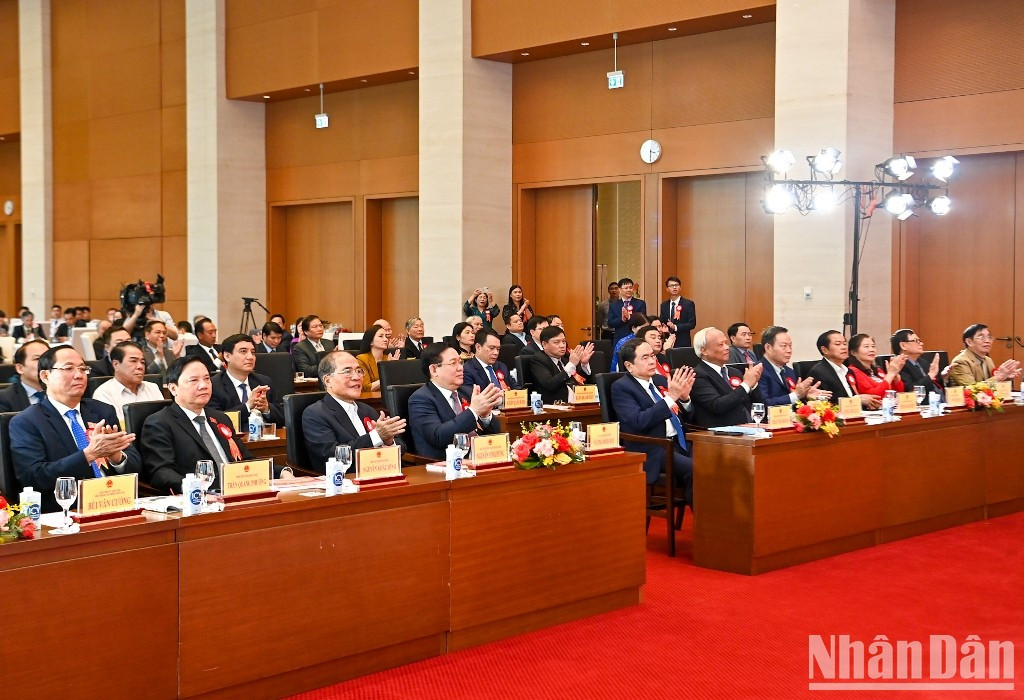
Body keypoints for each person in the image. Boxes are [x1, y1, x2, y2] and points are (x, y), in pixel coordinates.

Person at [9, 346, 141, 512]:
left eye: (82, 368)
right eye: (68, 368)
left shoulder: (102, 411)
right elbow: (34, 477)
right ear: (45, 376)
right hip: (65, 511)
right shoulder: (26, 422)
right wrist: (89, 455)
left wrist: (116, 457)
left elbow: (135, 462)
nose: (79, 375)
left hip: (114, 502)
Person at [141, 356, 292, 495]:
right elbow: (162, 472)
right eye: (194, 380)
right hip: (200, 500)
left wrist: (280, 472)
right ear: (173, 388)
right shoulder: (159, 422)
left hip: (238, 491)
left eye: (207, 379)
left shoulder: (220, 418)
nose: (204, 385)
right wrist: (196, 489)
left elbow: (245, 461)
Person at [610, 338, 695, 504]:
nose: (651, 361)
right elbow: (638, 421)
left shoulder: (660, 381)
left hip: (681, 442)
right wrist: (671, 398)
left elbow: (685, 418)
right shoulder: (621, 387)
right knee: (696, 470)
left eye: (652, 356)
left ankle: (720, 519)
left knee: (716, 460)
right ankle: (706, 523)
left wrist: (685, 399)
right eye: (644, 358)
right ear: (629, 366)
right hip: (655, 448)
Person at [302, 351, 407, 473]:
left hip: (381, 476)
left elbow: (401, 447)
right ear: (327, 380)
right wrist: (377, 436)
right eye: (347, 371)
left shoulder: (367, 410)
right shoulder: (315, 414)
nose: (356, 377)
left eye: (359, 371)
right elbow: (332, 456)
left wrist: (389, 441)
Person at [408, 343, 503, 459]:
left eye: (460, 362)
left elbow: (496, 433)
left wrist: (485, 416)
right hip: (445, 467)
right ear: (434, 370)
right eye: (453, 363)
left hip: (481, 458)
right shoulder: (420, 399)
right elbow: (438, 436)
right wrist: (474, 411)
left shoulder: (468, 392)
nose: (460, 368)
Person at [689, 327, 763, 428]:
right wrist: (746, 384)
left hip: (749, 427)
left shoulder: (734, 372)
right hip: (720, 434)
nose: (727, 347)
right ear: (704, 350)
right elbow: (717, 405)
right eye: (720, 345)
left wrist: (753, 385)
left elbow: (755, 403)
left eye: (726, 343)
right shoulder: (697, 375)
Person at [207, 333, 285, 426]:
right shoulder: (213, 385)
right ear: (227, 356)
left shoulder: (264, 382)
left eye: (252, 352)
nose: (250, 357)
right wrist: (247, 407)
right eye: (243, 351)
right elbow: (215, 420)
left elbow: (282, 418)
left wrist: (266, 409)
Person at [91, 341, 165, 423]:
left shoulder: (152, 387)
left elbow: (163, 420)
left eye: (142, 362)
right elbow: (115, 428)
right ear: (116, 364)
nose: (140, 366)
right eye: (133, 361)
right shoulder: (104, 393)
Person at [808, 331, 882, 409]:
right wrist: (858, 400)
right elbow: (825, 405)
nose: (843, 347)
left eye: (845, 344)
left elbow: (852, 397)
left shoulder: (848, 371)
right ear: (824, 350)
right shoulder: (818, 372)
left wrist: (869, 403)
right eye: (838, 344)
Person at [757, 326, 829, 406]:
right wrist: (796, 395)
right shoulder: (758, 371)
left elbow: (793, 399)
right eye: (784, 346)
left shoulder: (789, 371)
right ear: (768, 348)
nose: (789, 350)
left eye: (790, 346)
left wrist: (805, 396)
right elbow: (763, 405)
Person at [528, 326, 595, 404]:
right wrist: (571, 364)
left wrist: (584, 364)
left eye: (564, 342)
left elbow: (583, 381)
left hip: (579, 402)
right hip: (555, 406)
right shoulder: (538, 360)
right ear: (544, 344)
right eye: (557, 342)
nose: (562, 345)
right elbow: (550, 384)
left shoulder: (566, 357)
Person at [947, 323, 1022, 386]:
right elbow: (972, 390)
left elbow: (992, 385)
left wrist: (1005, 377)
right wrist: (999, 376)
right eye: (981, 337)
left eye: (989, 337)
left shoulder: (988, 360)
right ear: (969, 342)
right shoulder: (960, 361)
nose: (987, 341)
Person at [0, 339, 49, 411]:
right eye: (37, 358)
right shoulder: (4, 398)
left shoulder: (63, 394)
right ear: (20, 368)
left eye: (48, 358)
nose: (45, 363)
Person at [890, 329, 943, 395]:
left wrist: (944, 377)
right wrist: (931, 375)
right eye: (916, 341)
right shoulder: (899, 366)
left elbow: (933, 383)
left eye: (920, 341)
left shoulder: (922, 362)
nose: (921, 344)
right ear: (903, 345)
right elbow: (910, 390)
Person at [659, 276, 697, 346]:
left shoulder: (688, 304)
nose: (674, 287)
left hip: (682, 341)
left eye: (676, 285)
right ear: (667, 289)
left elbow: (692, 324)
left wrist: (675, 327)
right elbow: (662, 322)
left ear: (680, 287)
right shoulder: (664, 305)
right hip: (667, 341)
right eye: (671, 285)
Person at [608, 277, 647, 343]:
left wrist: (629, 317)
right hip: (619, 338)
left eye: (630, 287)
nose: (629, 290)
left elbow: (642, 321)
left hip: (636, 337)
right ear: (620, 290)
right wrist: (622, 319)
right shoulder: (613, 305)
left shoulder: (640, 303)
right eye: (626, 288)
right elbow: (610, 323)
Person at [355, 324, 392, 392]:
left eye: (386, 336)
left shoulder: (388, 359)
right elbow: (366, 388)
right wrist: (388, 372)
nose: (385, 339)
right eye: (381, 336)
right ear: (371, 341)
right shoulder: (362, 359)